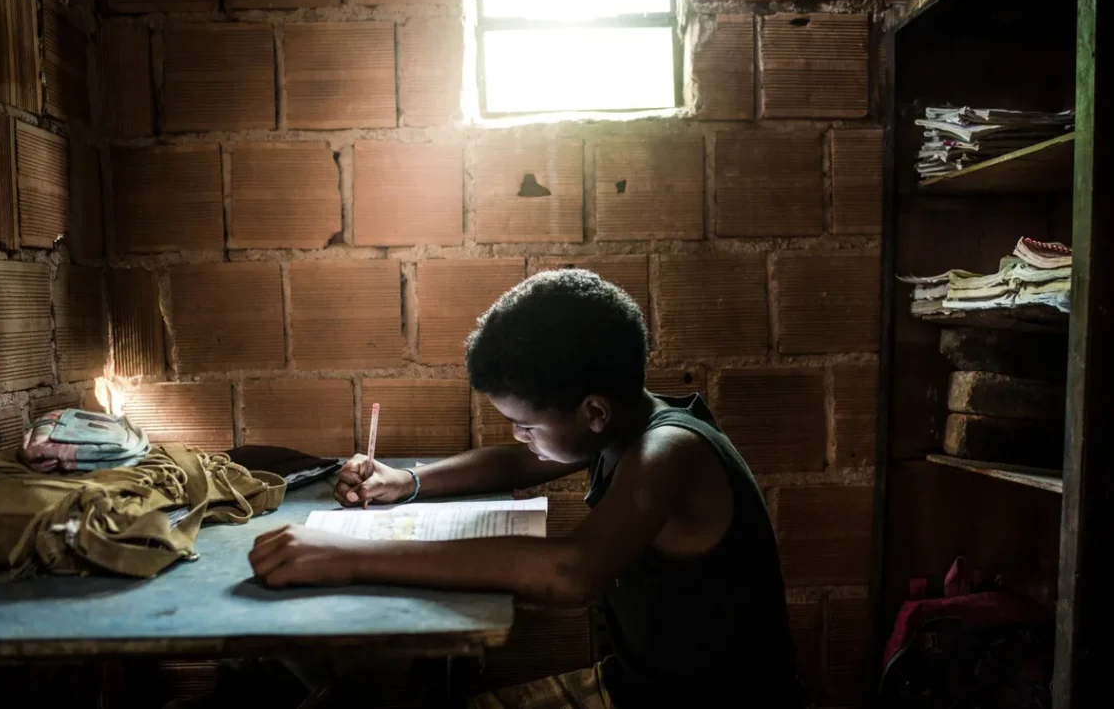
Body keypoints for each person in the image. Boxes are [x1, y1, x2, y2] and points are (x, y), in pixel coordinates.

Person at [248, 269, 805, 709]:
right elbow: (517, 463)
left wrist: (351, 556)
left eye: (526, 422)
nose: (519, 435)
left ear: (593, 411)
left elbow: (572, 572)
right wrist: (409, 481)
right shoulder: (620, 424)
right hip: (642, 687)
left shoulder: (668, 453)